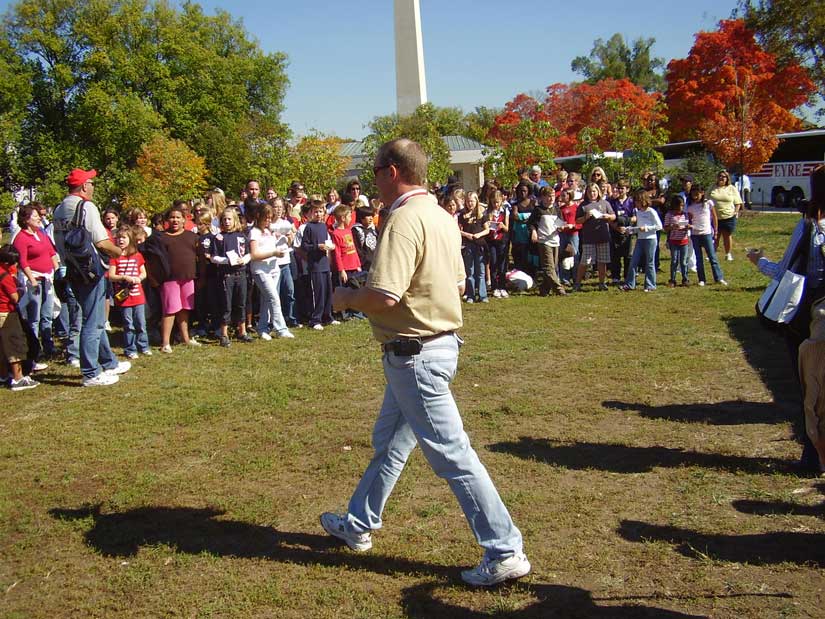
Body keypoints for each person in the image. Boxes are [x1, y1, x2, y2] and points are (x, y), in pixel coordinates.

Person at [321, 138, 529, 587]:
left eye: (374, 170)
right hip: (434, 346)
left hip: (414, 354)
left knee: (454, 455)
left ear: (392, 171)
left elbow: (384, 296)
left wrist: (345, 298)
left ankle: (504, 549)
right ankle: (358, 523)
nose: (371, 180)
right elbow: (454, 281)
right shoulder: (439, 215)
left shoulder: (403, 218)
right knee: (391, 443)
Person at [748, 163, 825, 474]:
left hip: (809, 315)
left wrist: (759, 261)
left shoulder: (810, 226)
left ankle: (814, 453)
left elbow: (785, 272)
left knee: (810, 386)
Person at [52, 168, 130, 387]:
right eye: (91, 183)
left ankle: (109, 362)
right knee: (94, 322)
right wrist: (119, 252)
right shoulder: (86, 207)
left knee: (91, 317)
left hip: (72, 269)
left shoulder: (59, 209)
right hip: (91, 270)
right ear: (84, 186)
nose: (93, 187)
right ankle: (90, 372)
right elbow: (101, 242)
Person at [13, 203, 60, 359]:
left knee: (47, 314)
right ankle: (34, 348)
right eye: (35, 216)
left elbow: (51, 252)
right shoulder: (21, 238)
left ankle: (49, 346)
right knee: (34, 317)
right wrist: (32, 279)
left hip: (48, 278)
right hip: (34, 280)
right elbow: (22, 261)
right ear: (26, 220)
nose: (39, 218)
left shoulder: (41, 233)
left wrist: (57, 270)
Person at [157, 205, 200, 352]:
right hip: (169, 279)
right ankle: (165, 343)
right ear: (168, 220)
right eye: (172, 217)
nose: (175, 220)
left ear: (184, 220)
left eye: (178, 217)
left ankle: (185, 338)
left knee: (184, 309)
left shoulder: (192, 236)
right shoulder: (162, 238)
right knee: (170, 309)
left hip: (188, 278)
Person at [207, 208, 251, 346]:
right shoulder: (218, 238)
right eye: (224, 219)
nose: (227, 222)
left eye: (229, 219)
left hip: (241, 273)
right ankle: (224, 334)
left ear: (235, 220)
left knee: (241, 303)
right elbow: (213, 257)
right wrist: (227, 260)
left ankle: (242, 331)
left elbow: (249, 254)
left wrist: (243, 260)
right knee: (226, 305)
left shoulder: (241, 236)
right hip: (227, 275)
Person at [249, 205, 294, 340]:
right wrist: (273, 253)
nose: (268, 221)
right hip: (261, 270)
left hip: (274, 268)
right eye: (266, 218)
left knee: (267, 300)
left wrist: (285, 241)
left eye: (270, 218)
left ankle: (262, 328)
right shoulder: (254, 232)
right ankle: (281, 329)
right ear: (258, 217)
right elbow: (254, 254)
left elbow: (280, 242)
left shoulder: (270, 231)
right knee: (274, 298)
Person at [0, 245, 40, 391]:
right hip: (7, 314)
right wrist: (22, 291)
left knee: (2, 347)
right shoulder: (5, 276)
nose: (15, 265)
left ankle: (3, 374)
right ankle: (18, 378)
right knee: (14, 345)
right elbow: (14, 297)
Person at [108, 226, 150, 359]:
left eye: (124, 237)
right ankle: (130, 349)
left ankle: (143, 346)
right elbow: (111, 275)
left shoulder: (137, 256)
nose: (121, 240)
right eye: (119, 238)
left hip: (138, 296)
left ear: (130, 239)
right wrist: (123, 277)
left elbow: (144, 273)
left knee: (141, 323)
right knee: (128, 324)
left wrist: (139, 278)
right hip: (124, 296)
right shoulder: (114, 257)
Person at [300, 198, 338, 330]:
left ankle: (328, 316)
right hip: (315, 265)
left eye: (321, 211)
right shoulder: (308, 227)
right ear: (310, 213)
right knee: (318, 292)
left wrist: (329, 247)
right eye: (316, 212)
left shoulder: (323, 226)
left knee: (328, 291)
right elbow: (304, 245)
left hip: (324, 264)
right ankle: (315, 319)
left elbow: (327, 242)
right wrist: (317, 246)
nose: (318, 214)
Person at [574, 183, 615, 291]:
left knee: (602, 261)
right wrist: (586, 217)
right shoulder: (583, 205)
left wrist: (608, 216)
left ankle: (602, 283)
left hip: (603, 235)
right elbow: (577, 220)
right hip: (589, 237)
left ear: (598, 192)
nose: (592, 194)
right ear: (586, 193)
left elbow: (613, 216)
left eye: (594, 191)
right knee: (585, 261)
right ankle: (577, 283)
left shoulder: (604, 203)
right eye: (590, 192)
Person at [622, 190, 662, 292]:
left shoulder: (651, 211)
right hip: (640, 239)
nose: (636, 203)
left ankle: (650, 285)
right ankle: (630, 284)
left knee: (649, 262)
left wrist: (647, 228)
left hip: (650, 239)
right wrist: (629, 230)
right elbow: (637, 227)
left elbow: (659, 226)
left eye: (637, 201)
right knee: (633, 261)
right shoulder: (638, 212)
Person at [686, 186, 727, 287]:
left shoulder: (708, 203)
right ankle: (701, 279)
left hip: (707, 233)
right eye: (693, 194)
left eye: (697, 194)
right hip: (695, 234)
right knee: (698, 258)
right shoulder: (690, 207)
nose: (695, 196)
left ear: (702, 193)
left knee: (712, 256)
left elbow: (714, 217)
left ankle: (719, 277)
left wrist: (716, 230)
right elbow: (690, 220)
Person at [528, 186, 565, 296]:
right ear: (543, 197)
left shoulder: (556, 209)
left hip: (555, 240)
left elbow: (560, 223)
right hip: (544, 240)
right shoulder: (538, 210)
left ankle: (544, 289)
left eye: (553, 196)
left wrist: (561, 227)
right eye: (548, 196)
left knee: (553, 265)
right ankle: (559, 289)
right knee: (549, 267)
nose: (551, 199)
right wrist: (534, 232)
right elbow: (531, 224)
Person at [458, 191, 489, 303]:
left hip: (480, 245)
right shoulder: (462, 215)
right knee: (469, 271)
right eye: (468, 201)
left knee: (481, 271)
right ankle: (471, 295)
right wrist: (468, 235)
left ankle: (483, 295)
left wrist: (478, 235)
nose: (470, 203)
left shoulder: (482, 214)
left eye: (472, 201)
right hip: (468, 245)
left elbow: (487, 229)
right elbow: (459, 230)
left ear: (476, 201)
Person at [710, 170, 743, 261]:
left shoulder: (731, 188)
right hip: (715, 216)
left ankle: (728, 254)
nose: (721, 178)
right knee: (715, 236)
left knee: (727, 236)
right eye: (720, 176)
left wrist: (735, 212)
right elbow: (705, 199)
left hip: (728, 217)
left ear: (727, 178)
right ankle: (712, 254)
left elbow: (738, 202)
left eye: (724, 176)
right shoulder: (712, 187)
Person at [663, 195, 691, 287]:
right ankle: (672, 279)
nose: (680, 208)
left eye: (682, 205)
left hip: (684, 240)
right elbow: (665, 228)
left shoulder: (685, 215)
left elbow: (690, 225)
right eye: (679, 205)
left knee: (683, 261)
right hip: (673, 241)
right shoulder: (669, 215)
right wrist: (672, 227)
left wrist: (688, 227)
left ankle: (685, 279)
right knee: (674, 260)